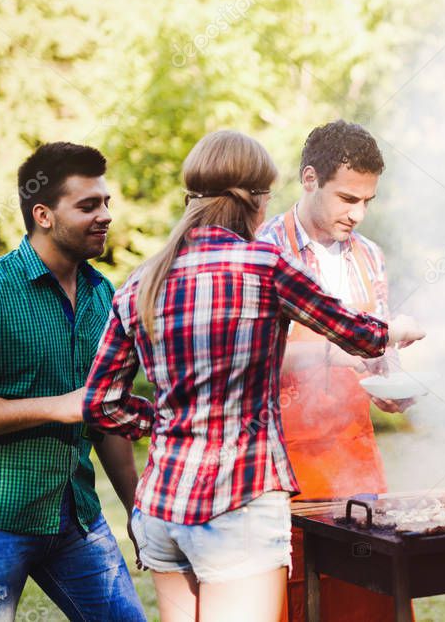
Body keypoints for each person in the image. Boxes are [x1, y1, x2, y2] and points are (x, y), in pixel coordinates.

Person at [83, 130, 424, 622]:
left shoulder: (142, 278)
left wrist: (166, 421)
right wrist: (395, 332)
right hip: (240, 495)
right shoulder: (264, 261)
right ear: (258, 201)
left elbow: (100, 403)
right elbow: (357, 334)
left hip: (162, 504)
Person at [0, 142, 145, 621]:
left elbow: (102, 414)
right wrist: (58, 406)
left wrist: (137, 509)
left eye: (106, 202)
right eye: (88, 206)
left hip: (75, 516)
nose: (105, 214)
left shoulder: (103, 295)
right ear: (43, 214)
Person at [257, 119, 409, 622]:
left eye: (367, 201)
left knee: (371, 594)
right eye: (347, 199)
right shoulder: (263, 249)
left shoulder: (370, 258)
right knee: (296, 598)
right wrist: (334, 353)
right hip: (286, 464)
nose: (358, 214)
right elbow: (247, 355)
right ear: (308, 180)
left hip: (356, 456)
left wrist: (391, 380)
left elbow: (380, 346)